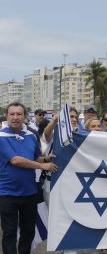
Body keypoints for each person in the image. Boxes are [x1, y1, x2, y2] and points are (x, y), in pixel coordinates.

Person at [0, 102, 57, 254]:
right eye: (12, 114)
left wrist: (45, 160)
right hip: (7, 193)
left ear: (25, 117)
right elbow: (16, 160)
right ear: (6, 116)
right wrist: (41, 166)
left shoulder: (31, 136)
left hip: (29, 192)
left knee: (29, 231)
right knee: (9, 232)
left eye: (19, 114)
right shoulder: (1, 137)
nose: (15, 117)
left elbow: (36, 158)